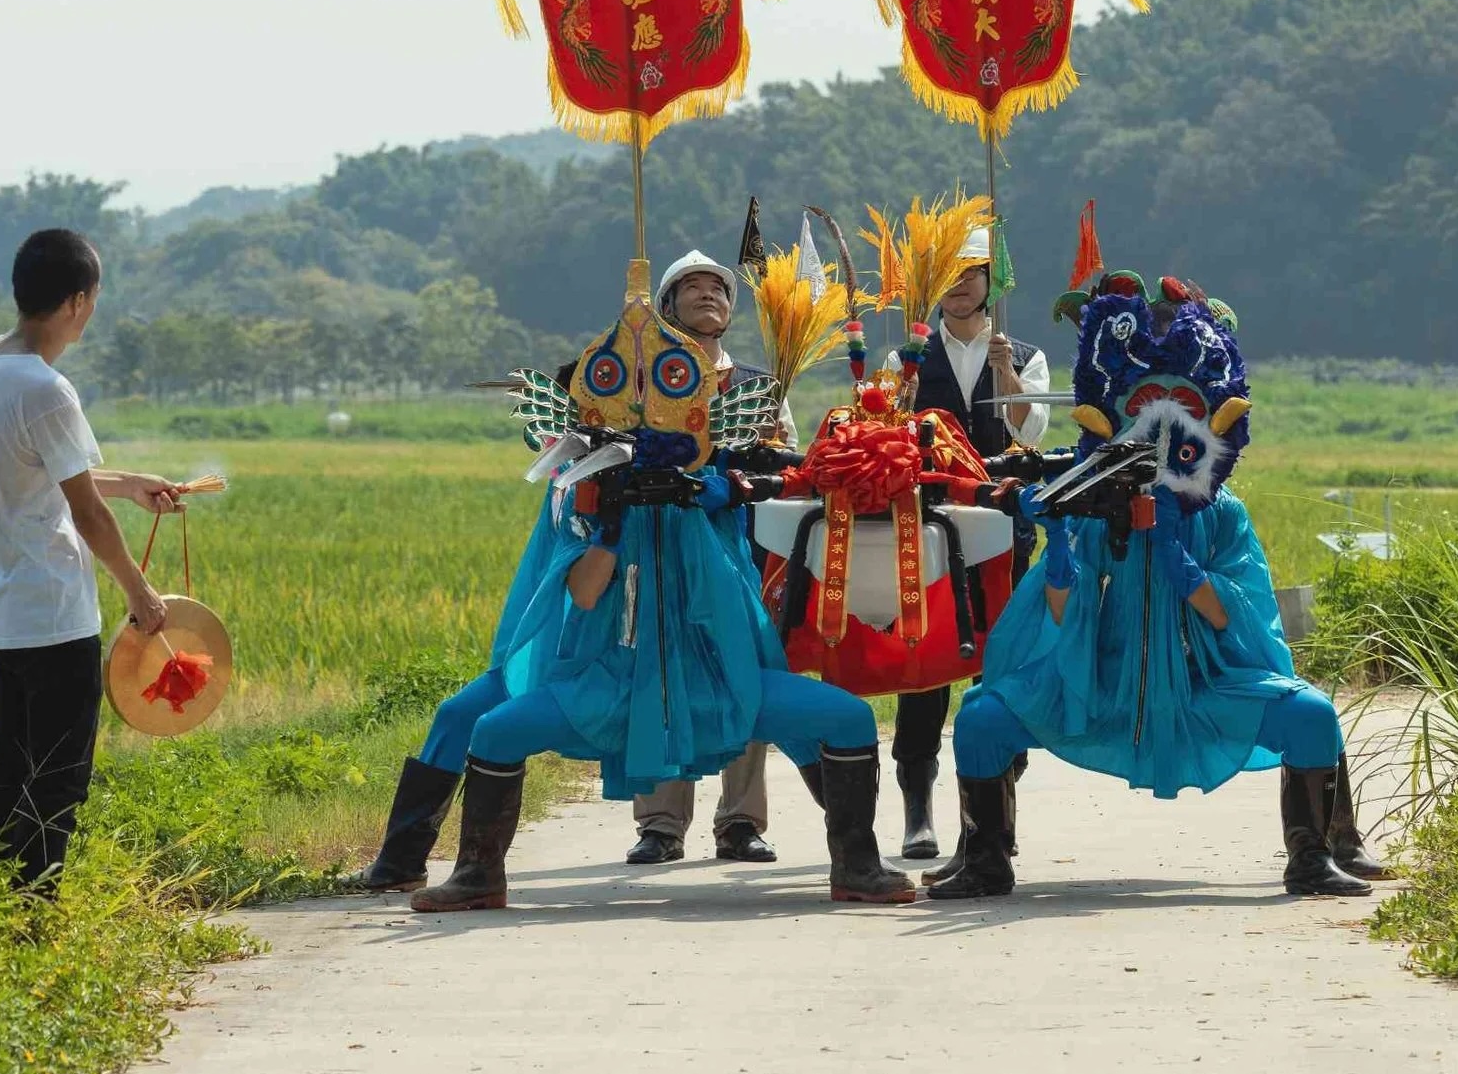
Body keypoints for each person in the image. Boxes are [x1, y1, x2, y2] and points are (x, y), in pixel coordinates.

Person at [351, 259, 909, 912]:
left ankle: (857, 863)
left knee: (844, 717)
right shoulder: (585, 493)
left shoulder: (721, 460)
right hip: (604, 684)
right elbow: (584, 594)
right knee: (486, 727)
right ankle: (472, 873)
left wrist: (725, 486)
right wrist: (610, 524)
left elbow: (787, 481)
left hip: (717, 676)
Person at [929, 269, 1374, 903]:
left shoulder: (1221, 514)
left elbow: (1238, 618)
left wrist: (1180, 564)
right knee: (982, 717)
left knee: (1310, 715)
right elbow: (1058, 616)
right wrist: (1061, 549)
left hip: (1203, 686)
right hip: (1098, 687)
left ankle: (1315, 855)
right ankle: (985, 858)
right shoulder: (1091, 502)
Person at [0, 228, 179, 892]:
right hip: (53, 614)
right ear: (78, 301)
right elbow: (86, 513)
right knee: (57, 777)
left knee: (11, 766)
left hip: (2, 613)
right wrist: (140, 594)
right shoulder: (47, 388)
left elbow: (45, 473)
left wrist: (131, 480)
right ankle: (32, 910)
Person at [618, 250, 793, 866]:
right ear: (666, 308)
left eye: (716, 288)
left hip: (737, 547)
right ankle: (661, 823)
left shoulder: (757, 386)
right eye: (690, 287)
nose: (706, 295)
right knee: (663, 673)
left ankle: (741, 821)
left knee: (739, 673)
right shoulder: (644, 381)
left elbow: (786, 464)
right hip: (661, 543)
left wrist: (744, 481)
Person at [879, 227, 1048, 858]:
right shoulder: (909, 357)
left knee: (1000, 658)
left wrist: (1010, 380)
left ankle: (991, 808)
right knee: (923, 660)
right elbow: (889, 432)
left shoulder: (1023, 354)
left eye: (970, 274)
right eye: (946, 275)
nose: (958, 287)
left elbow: (1029, 434)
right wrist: (903, 404)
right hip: (928, 522)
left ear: (990, 283)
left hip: (1002, 521)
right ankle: (917, 810)